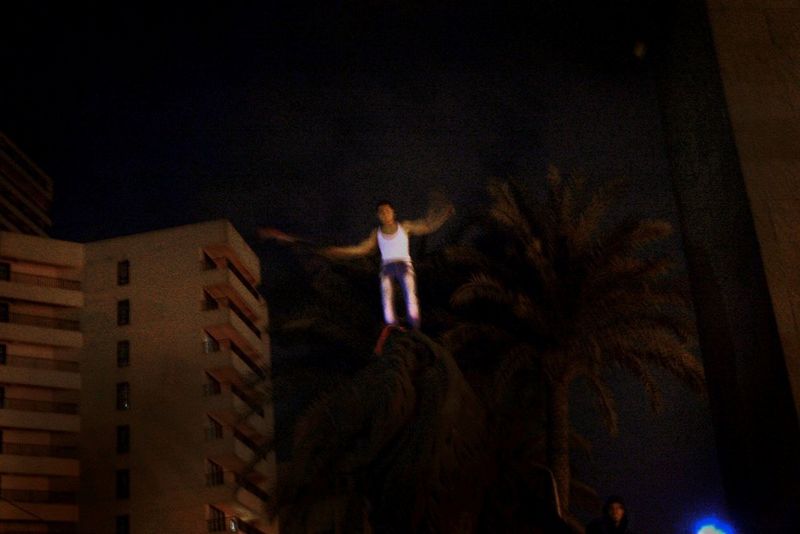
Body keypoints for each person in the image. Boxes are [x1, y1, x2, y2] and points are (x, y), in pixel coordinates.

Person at [319, 199, 453, 329]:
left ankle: (414, 325)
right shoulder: (377, 233)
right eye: (381, 212)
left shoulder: (404, 227)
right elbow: (361, 249)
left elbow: (426, 226)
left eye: (387, 211)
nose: (385, 214)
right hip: (387, 267)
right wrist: (337, 252)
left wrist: (443, 215)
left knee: (410, 295)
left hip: (403, 265)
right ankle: (391, 325)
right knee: (387, 298)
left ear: (393, 212)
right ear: (378, 216)